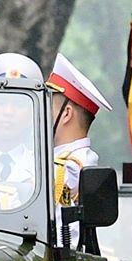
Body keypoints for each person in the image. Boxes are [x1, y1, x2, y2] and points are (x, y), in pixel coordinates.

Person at [46, 54, 109, 208]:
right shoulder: (60, 158)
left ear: (66, 114)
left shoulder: (73, 166)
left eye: (47, 106)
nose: (41, 114)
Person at [0, 52, 42, 191]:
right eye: (0, 102)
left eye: (19, 104)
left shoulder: (44, 168)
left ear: (32, 113)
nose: (8, 112)